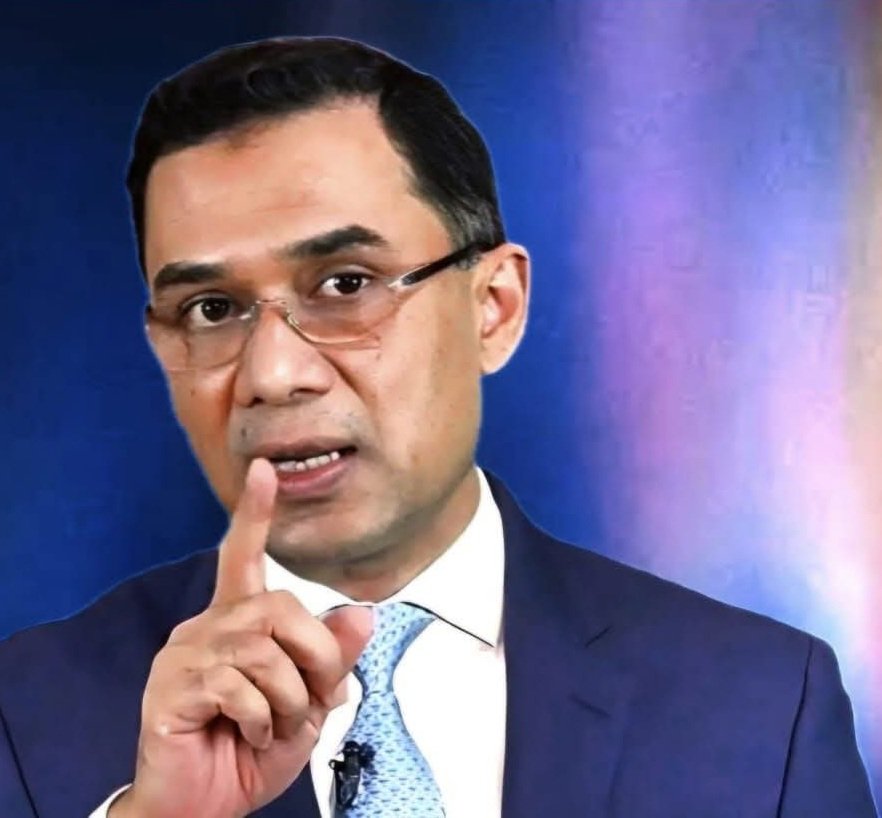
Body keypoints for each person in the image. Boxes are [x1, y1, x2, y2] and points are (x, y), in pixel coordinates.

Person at [0, 35, 876, 818]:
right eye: (212, 308)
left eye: (345, 285)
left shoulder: (762, 704)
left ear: (494, 307)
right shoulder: (26, 716)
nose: (272, 374)